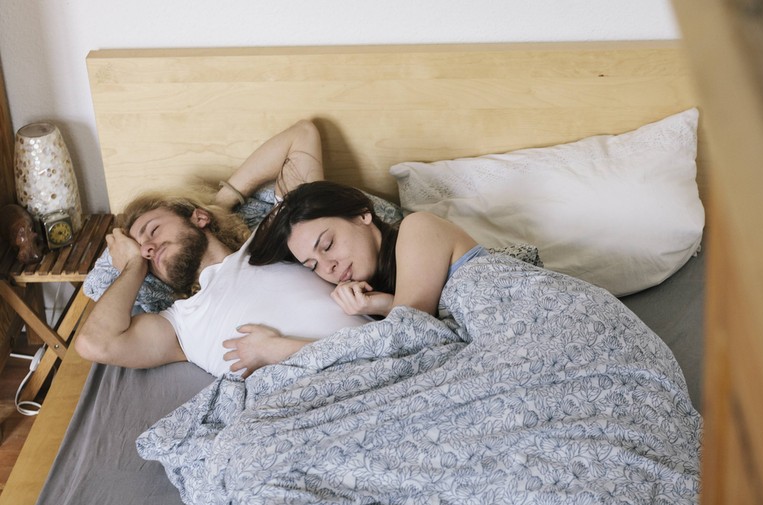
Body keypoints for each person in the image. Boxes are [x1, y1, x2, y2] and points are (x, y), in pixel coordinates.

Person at [75, 120, 369, 378]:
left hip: (377, 363)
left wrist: (217, 205)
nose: (149, 249)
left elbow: (302, 136)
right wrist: (133, 265)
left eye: (153, 231)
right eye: (143, 251)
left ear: (199, 218)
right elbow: (95, 342)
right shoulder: (180, 326)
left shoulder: (276, 240)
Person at [220, 179, 487, 375]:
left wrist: (278, 350)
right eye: (312, 266)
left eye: (327, 245)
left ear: (362, 214)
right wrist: (379, 303)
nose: (328, 267)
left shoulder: (418, 227)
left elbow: (406, 338)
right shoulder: (379, 298)